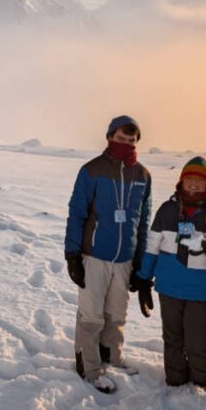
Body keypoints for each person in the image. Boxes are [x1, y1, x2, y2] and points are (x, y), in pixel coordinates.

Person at [64, 115, 152, 394]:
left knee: (116, 312)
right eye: (120, 138)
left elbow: (144, 219)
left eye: (131, 140)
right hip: (95, 255)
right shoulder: (91, 170)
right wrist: (72, 254)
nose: (125, 143)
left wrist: (140, 260)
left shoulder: (142, 175)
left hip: (124, 258)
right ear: (110, 137)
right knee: (91, 314)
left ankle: (111, 356)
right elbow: (77, 213)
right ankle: (89, 367)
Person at [133, 156, 206, 388]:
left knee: (199, 341)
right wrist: (144, 278)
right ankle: (175, 380)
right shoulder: (168, 210)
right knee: (173, 338)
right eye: (189, 179)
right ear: (181, 182)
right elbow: (152, 245)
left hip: (199, 290)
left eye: (200, 180)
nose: (194, 184)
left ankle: (201, 382)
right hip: (168, 287)